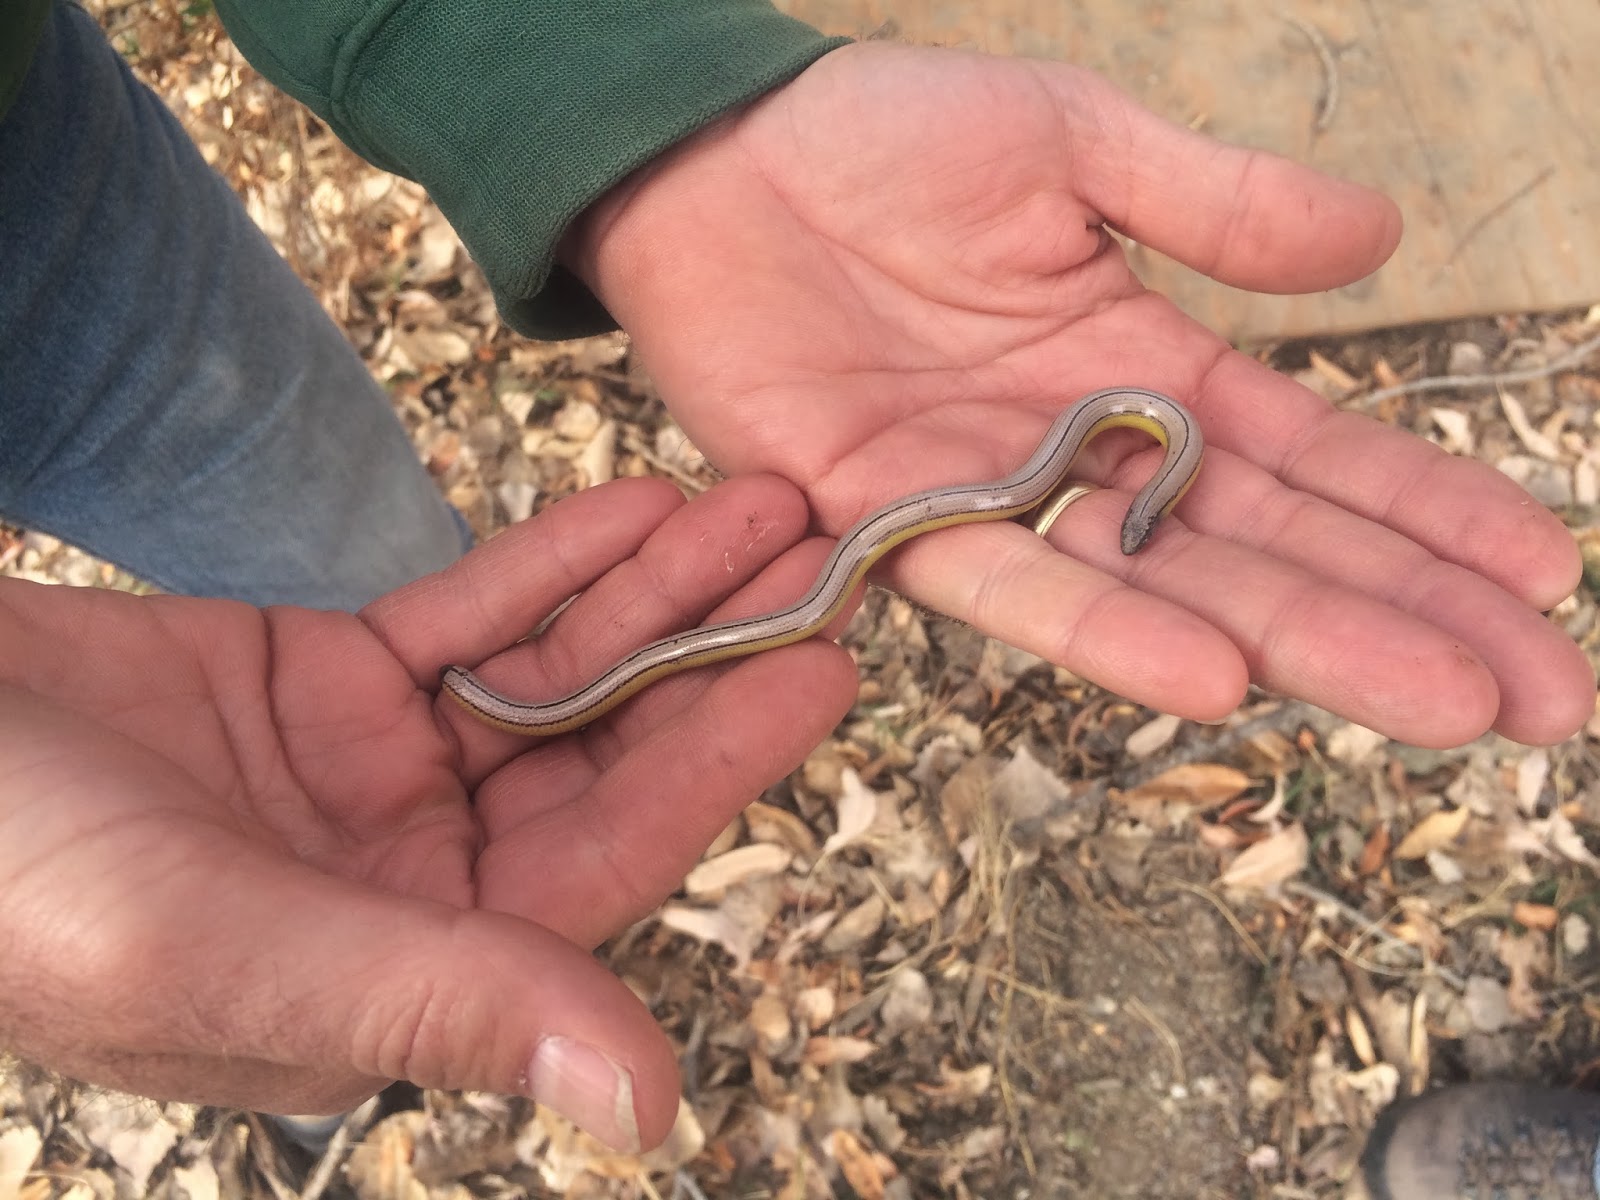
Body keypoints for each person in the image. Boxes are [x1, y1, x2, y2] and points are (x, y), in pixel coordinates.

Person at [0, 0, 1593, 1176]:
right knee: (382, 690)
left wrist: (635, 106)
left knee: (370, 624)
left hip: (48, 199)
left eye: (1143, 488)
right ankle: (306, 1016)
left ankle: (411, 766)